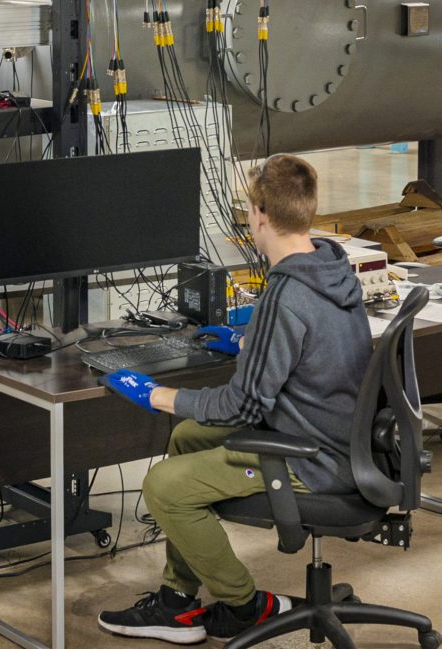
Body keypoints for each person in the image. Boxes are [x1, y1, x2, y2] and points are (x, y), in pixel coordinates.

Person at [96, 155, 370, 644]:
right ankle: (177, 602)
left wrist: (155, 394)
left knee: (163, 486)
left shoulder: (286, 295)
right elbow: (311, 353)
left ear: (260, 213)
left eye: (248, 208)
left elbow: (240, 407)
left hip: (311, 457)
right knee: (186, 439)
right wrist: (249, 344)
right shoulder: (330, 267)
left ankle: (245, 603)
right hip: (331, 432)